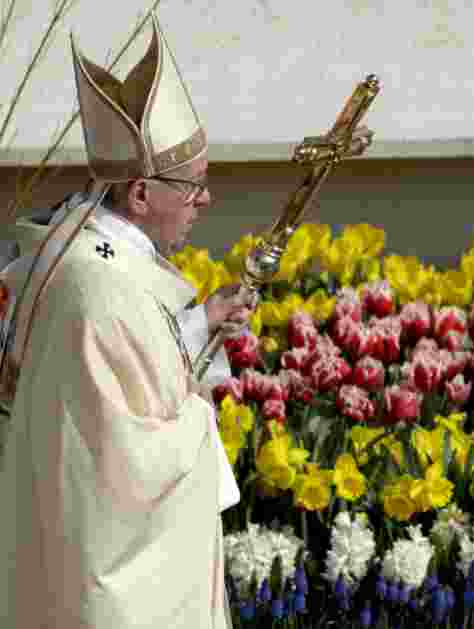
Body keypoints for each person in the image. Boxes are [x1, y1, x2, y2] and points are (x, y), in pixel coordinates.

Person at [0, 14, 372, 628]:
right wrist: (200, 423)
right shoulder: (101, 287)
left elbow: (128, 380)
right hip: (110, 570)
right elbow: (126, 456)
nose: (207, 200)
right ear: (141, 195)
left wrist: (200, 323)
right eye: (192, 185)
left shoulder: (81, 246)